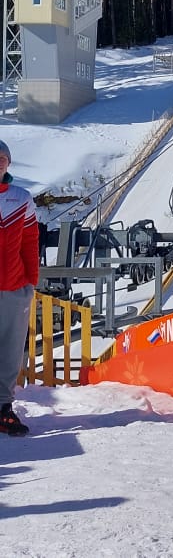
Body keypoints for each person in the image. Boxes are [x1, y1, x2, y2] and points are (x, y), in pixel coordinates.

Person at [0, 141, 39, 436]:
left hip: (13, 286)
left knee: (11, 350)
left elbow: (30, 241)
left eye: (2, 159)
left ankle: (3, 408)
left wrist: (30, 283)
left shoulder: (21, 198)